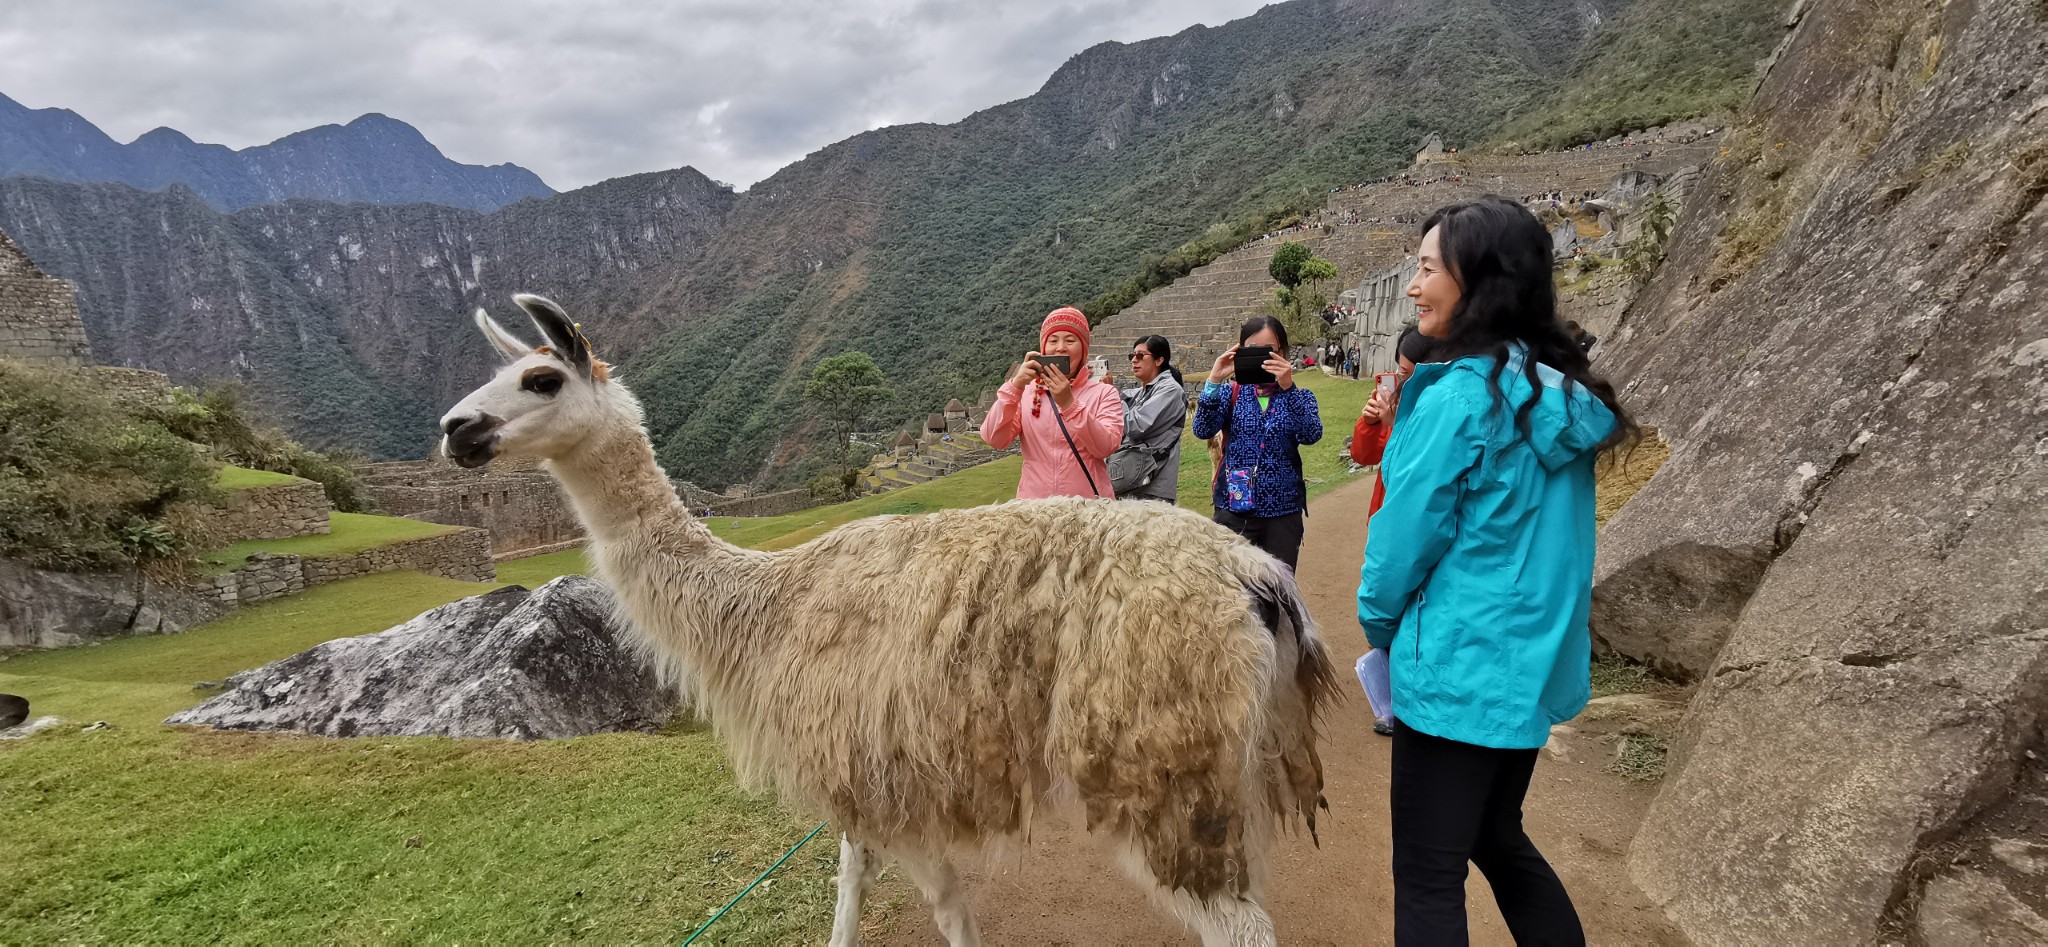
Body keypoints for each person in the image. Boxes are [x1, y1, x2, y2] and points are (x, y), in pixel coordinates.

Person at [1357, 195, 1637, 945]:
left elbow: (1397, 549)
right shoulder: (1554, 396)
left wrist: (1381, 628)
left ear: (1477, 279)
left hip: (1455, 670)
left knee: (1426, 873)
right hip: (1524, 672)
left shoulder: (1459, 400)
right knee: (1496, 837)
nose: (1413, 287)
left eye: (1424, 269)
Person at [1346, 323, 1435, 738]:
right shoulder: (1395, 399)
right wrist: (1370, 423)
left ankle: (1411, 701)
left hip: (1411, 522)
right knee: (1383, 601)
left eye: (1409, 371)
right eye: (1398, 370)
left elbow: (1415, 466)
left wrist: (1396, 424)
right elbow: (1364, 454)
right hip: (1384, 519)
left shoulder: (1438, 409)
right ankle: (1387, 703)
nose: (1400, 379)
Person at [1192, 316, 1323, 571]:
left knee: (1278, 592)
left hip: (1282, 515)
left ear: (1283, 353)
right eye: (1252, 350)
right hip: (1233, 510)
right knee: (1232, 590)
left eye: (1269, 351)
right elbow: (1202, 429)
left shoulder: (1300, 397)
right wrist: (1214, 381)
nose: (1261, 358)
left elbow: (1311, 434)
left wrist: (1288, 388)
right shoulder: (1231, 393)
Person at [980, 307, 1123, 499]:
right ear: (1043, 349)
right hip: (1035, 513)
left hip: (1088, 512)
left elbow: (1105, 446)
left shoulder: (1104, 393)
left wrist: (1069, 404)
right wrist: (1014, 386)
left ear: (1083, 350)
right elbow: (994, 438)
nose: (1061, 347)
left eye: (1070, 340)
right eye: (1053, 340)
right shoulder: (1027, 394)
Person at [1112, 335, 1186, 503]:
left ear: (1159, 360)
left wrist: (1113, 398)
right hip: (1134, 481)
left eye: (1140, 356)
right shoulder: (1141, 392)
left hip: (1153, 488)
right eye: (1132, 356)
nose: (1134, 361)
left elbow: (1135, 426)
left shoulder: (1170, 391)